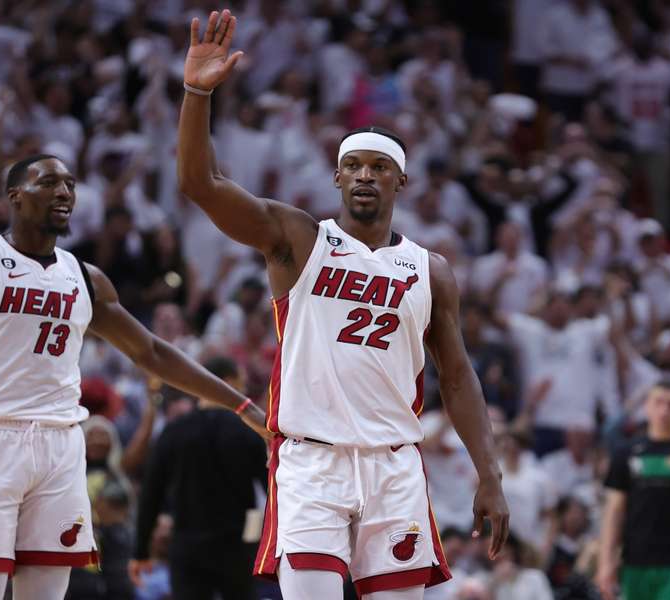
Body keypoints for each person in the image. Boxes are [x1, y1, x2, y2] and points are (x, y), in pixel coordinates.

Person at [177, 10, 509, 599]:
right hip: (312, 463)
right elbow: (202, 185)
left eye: (379, 167)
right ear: (335, 177)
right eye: (352, 165)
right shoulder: (299, 239)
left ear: (400, 182)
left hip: (394, 465)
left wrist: (489, 473)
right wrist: (197, 94)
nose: (364, 176)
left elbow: (457, 377)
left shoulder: (430, 270)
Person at [0, 153, 268, 600]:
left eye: (70, 184)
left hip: (61, 443)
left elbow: (153, 351)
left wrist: (241, 404)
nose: (64, 192)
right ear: (15, 197)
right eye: (48, 183)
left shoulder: (86, 277)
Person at [130, 356, 268, 600]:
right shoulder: (249, 432)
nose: (245, 391)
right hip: (237, 546)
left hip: (186, 546)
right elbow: (272, 489)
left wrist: (141, 551)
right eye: (241, 384)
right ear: (226, 383)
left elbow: (151, 493)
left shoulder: (174, 431)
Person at [596, 381, 670, 600]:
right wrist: (606, 562)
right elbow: (614, 511)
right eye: (659, 402)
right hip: (636, 561)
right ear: (646, 406)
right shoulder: (627, 452)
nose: (665, 410)